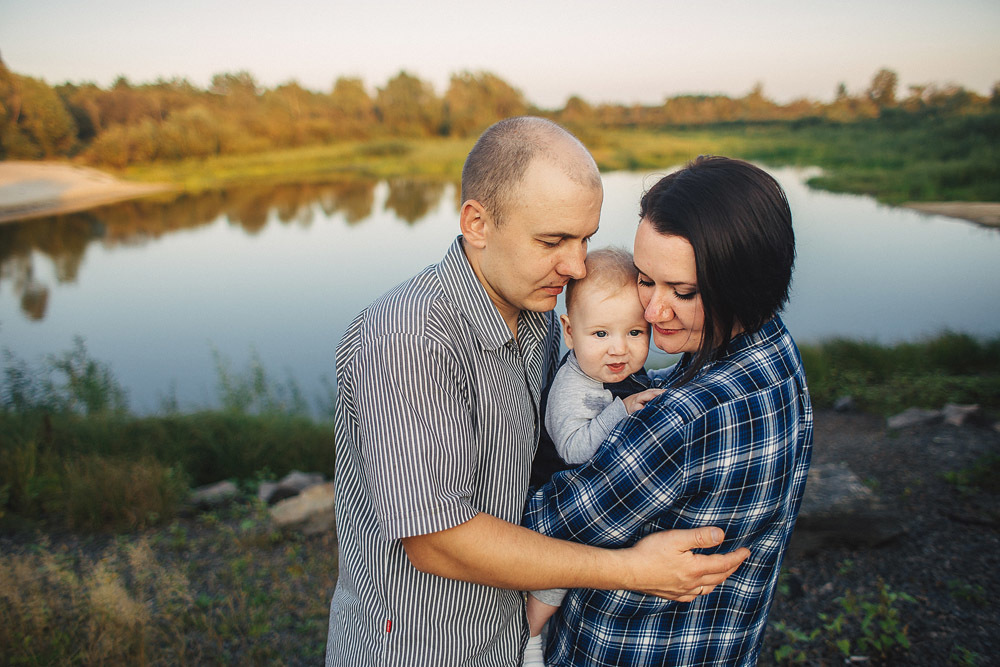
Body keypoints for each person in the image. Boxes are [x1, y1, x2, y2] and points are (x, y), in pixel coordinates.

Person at [325, 118, 750, 667]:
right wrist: (631, 570)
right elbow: (436, 538)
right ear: (477, 223)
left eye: (585, 239)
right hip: (424, 642)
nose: (576, 266)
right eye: (552, 241)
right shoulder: (406, 341)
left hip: (515, 635)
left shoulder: (541, 315)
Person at [523, 155, 814, 666]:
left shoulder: (685, 420)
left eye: (683, 292)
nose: (653, 313)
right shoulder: (776, 350)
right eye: (645, 279)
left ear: (742, 283)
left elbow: (547, 524)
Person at [523, 247, 664, 666]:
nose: (618, 349)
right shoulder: (572, 389)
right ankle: (529, 636)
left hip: (587, 490)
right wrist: (620, 412)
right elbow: (574, 447)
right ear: (569, 332)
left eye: (635, 333)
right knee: (556, 578)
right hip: (553, 498)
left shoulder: (611, 370)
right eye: (600, 334)